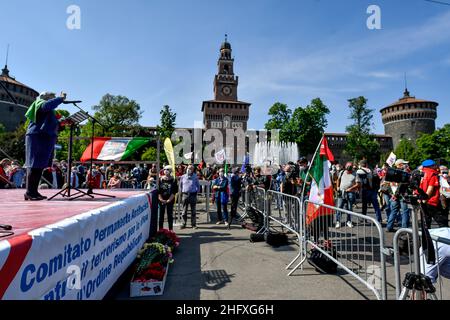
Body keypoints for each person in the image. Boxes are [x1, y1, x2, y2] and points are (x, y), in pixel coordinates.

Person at [24, 91, 67, 200]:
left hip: (44, 137)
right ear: (46, 97)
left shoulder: (49, 111)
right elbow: (47, 105)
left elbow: (51, 124)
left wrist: (62, 124)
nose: (53, 99)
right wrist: (60, 98)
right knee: (34, 165)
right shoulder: (40, 102)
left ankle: (34, 191)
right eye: (52, 97)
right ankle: (29, 192)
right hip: (37, 136)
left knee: (39, 166)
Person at [420, 159, 447, 228]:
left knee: (426, 222)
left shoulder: (421, 173)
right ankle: (445, 238)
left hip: (423, 200)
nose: (436, 166)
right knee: (442, 223)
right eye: (434, 165)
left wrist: (422, 200)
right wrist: (425, 199)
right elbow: (430, 188)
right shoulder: (432, 174)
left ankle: (425, 238)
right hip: (431, 201)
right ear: (431, 166)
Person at [386, 159, 411, 232]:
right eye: (404, 164)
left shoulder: (391, 172)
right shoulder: (402, 173)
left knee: (394, 211)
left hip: (394, 195)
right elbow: (401, 185)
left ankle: (389, 227)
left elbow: (388, 185)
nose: (406, 165)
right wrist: (396, 195)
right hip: (402, 195)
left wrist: (392, 194)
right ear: (400, 165)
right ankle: (404, 229)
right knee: (405, 211)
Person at [336, 162, 358, 228]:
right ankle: (338, 221)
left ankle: (349, 221)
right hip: (341, 192)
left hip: (350, 193)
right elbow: (338, 180)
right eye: (348, 166)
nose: (349, 168)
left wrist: (351, 188)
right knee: (339, 207)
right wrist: (337, 187)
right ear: (345, 166)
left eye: (350, 166)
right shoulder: (342, 172)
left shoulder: (355, 174)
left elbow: (358, 184)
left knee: (349, 208)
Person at [158, 166, 179, 231]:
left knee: (170, 215)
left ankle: (170, 230)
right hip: (161, 199)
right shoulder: (160, 179)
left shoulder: (174, 180)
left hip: (170, 200)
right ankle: (161, 230)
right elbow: (158, 191)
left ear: (170, 171)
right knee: (161, 216)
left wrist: (168, 200)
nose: (165, 171)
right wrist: (161, 199)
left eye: (167, 169)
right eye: (164, 169)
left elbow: (174, 191)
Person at [179, 165, 200, 229]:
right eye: (188, 168)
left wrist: (196, 193)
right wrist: (182, 192)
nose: (189, 169)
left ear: (193, 170)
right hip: (185, 195)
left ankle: (193, 224)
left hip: (193, 195)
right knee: (184, 211)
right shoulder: (183, 176)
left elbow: (198, 186)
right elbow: (180, 185)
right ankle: (183, 224)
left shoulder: (195, 177)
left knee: (193, 211)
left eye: (191, 168)